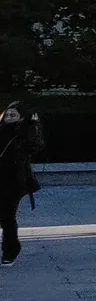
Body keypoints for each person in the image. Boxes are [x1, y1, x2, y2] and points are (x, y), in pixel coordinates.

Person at [0, 103, 44, 266]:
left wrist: (33, 125)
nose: (9, 118)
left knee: (7, 217)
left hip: (14, 182)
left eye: (13, 115)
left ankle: (10, 251)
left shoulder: (24, 133)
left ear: (21, 118)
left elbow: (36, 146)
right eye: (7, 115)